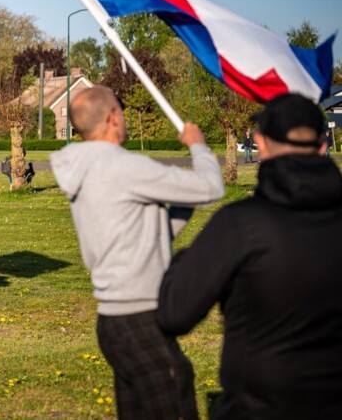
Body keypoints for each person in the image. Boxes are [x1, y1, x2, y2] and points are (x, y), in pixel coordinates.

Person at [157, 93, 342, 418]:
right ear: (323, 147)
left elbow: (174, 312)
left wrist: (186, 260)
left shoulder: (239, 225)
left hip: (257, 407)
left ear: (262, 145)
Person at [49, 86, 224, 419]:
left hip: (114, 321)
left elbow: (145, 230)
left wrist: (180, 204)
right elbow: (211, 187)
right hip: (140, 318)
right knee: (174, 393)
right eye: (122, 111)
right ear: (114, 117)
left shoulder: (83, 168)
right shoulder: (125, 167)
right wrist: (198, 146)